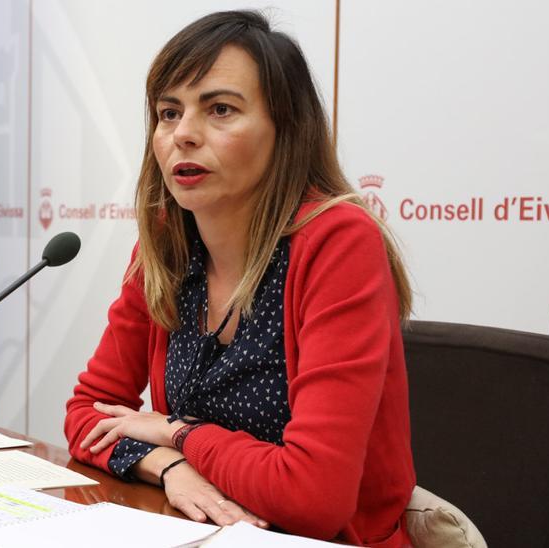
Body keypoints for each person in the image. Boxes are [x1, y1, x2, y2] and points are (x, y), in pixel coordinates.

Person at [63, 10, 416, 547]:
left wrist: (180, 431)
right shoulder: (166, 243)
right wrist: (168, 466)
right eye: (168, 112)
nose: (183, 134)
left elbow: (314, 499)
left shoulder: (338, 242)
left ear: (286, 129)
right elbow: (88, 413)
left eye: (220, 109)